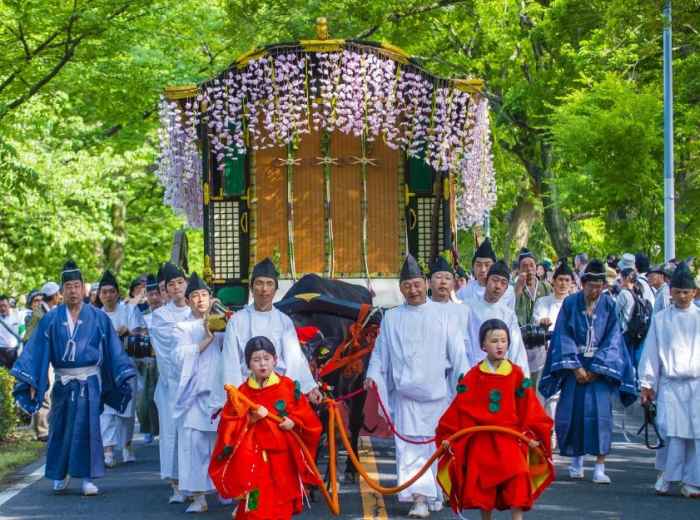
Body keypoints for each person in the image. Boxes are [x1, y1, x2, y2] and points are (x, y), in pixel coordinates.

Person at [11, 260, 136, 496]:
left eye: (77, 286)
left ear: (84, 289)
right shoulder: (50, 319)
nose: (73, 291)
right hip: (63, 381)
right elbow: (37, 351)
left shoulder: (98, 317)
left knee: (89, 429)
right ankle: (60, 474)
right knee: (59, 428)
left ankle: (88, 478)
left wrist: (122, 373)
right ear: (62, 291)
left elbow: (112, 349)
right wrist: (33, 382)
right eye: (68, 286)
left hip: (89, 381)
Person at [365, 254, 470, 518]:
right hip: (407, 396)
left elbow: (457, 353)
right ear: (401, 289)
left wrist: (465, 380)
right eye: (407, 286)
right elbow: (381, 353)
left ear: (426, 284)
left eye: (417, 284)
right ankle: (419, 498)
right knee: (410, 447)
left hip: (438, 394)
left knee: (436, 446)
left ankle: (434, 490)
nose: (413, 290)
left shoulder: (444, 315)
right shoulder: (391, 318)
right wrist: (373, 375)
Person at [435, 319, 554, 520]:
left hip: (510, 440)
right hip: (482, 441)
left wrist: (534, 434)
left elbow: (529, 406)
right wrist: (449, 435)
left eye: (503, 341)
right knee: (484, 489)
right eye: (494, 341)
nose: (499, 345)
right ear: (483, 345)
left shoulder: (516, 374)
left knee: (518, 481)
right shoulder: (473, 375)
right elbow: (459, 409)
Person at [539, 259, 637, 484]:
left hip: (600, 368)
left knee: (601, 416)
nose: (595, 290)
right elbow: (563, 334)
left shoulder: (609, 305)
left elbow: (614, 338)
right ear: (582, 283)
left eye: (599, 285)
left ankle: (600, 466)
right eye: (591, 285)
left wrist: (597, 367)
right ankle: (576, 461)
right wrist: (575, 366)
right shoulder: (571, 303)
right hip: (575, 365)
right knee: (572, 414)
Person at [209, 336, 322, 520]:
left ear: (275, 360)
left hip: (283, 464)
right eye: (256, 359)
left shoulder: (288, 387)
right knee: (253, 508)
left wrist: (293, 422)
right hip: (254, 464)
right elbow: (228, 428)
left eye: (266, 358)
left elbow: (310, 421)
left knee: (281, 508)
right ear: (248, 364)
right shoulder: (242, 393)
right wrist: (250, 419)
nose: (262, 364)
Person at [638, 262, 700, 498]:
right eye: (678, 292)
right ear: (670, 292)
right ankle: (667, 475)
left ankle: (693, 481)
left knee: (696, 435)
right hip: (671, 384)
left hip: (697, 385)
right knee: (671, 432)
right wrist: (647, 383)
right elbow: (651, 352)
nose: (683, 296)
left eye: (687, 292)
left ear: (694, 292)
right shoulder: (662, 319)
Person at [222, 258, 320, 403]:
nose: (264, 289)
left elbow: (295, 358)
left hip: (278, 391)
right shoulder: (236, 321)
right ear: (251, 287)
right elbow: (230, 361)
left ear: (275, 289)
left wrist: (310, 387)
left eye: (269, 284)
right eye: (259, 283)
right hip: (246, 391)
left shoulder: (284, 321)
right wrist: (237, 397)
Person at [171, 273, 226, 513]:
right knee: (194, 446)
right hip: (194, 395)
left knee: (221, 445)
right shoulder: (181, 326)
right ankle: (199, 497)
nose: (200, 300)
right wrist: (206, 337)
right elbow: (180, 357)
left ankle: (225, 488)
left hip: (219, 394)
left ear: (210, 298)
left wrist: (221, 325)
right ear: (188, 300)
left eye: (204, 295)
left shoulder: (222, 321)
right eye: (195, 296)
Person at [150, 262, 192, 503]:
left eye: (180, 282)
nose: (176, 288)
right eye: (171, 285)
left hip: (196, 385)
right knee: (171, 433)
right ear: (164, 290)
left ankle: (196, 482)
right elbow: (169, 350)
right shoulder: (160, 316)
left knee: (195, 435)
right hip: (172, 385)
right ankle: (176, 484)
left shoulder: (197, 308)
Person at [97, 270, 137, 467]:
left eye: (111, 291)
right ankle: (108, 451)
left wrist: (128, 331)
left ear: (117, 293)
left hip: (127, 367)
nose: (108, 296)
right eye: (104, 292)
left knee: (126, 412)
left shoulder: (129, 311)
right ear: (99, 295)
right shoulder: (95, 316)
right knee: (106, 411)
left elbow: (142, 334)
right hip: (104, 370)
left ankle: (127, 445)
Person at [463, 261, 529, 376]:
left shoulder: (508, 314)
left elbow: (516, 348)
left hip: (501, 373)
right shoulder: (467, 308)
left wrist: (522, 378)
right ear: (486, 281)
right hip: (473, 370)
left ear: (506, 288)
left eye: (503, 283)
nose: (498, 286)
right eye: (495, 280)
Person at [532, 261, 574, 419]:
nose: (563, 284)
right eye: (560, 279)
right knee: (544, 397)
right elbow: (538, 320)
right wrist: (542, 323)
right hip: (546, 357)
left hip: (569, 360)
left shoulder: (576, 304)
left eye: (567, 280)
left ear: (571, 283)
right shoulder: (543, 302)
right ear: (553, 281)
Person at [130, 273, 162, 444]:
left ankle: (162, 429)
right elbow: (135, 332)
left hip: (164, 362)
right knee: (144, 399)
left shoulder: (168, 313)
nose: (154, 297)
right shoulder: (141, 313)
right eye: (151, 294)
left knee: (162, 397)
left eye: (157, 293)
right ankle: (148, 428)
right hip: (146, 361)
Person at [514, 248, 552, 383]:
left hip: (540, 341)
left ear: (537, 268)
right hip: (520, 341)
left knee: (536, 383)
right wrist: (517, 290)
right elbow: (510, 310)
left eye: (532, 265)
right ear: (518, 270)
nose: (529, 269)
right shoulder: (514, 287)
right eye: (524, 266)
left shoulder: (545, 287)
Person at [456, 238, 515, 309]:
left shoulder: (508, 291)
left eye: (487, 265)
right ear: (473, 267)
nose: (483, 270)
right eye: (478, 265)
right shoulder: (463, 293)